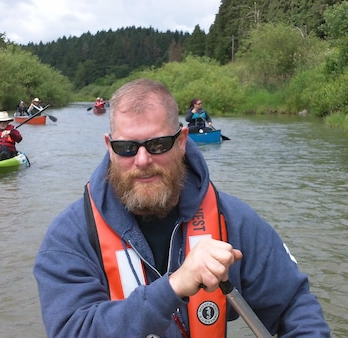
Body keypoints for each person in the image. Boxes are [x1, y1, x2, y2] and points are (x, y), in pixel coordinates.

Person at [33, 79, 330, 337]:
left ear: (182, 142)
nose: (142, 160)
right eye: (127, 148)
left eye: (158, 144)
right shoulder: (70, 236)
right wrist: (173, 287)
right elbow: (73, 330)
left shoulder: (234, 222)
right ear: (109, 147)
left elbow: (294, 305)